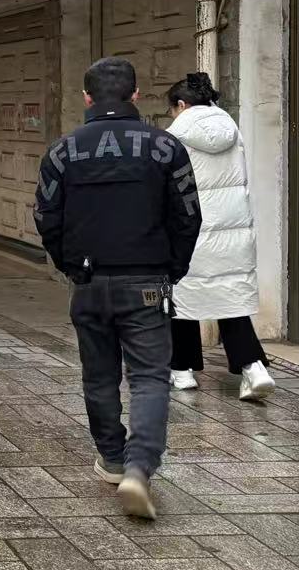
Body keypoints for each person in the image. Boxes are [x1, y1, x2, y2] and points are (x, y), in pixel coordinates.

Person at [34, 56, 202, 521]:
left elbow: (46, 216)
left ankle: (111, 457)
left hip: (89, 281)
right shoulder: (165, 147)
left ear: (87, 97)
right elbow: (188, 215)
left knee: (99, 374)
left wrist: (70, 267)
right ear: (136, 95)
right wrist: (173, 268)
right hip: (147, 280)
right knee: (149, 377)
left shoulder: (62, 151)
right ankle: (139, 467)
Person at [164, 72, 275, 402]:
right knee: (230, 300)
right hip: (233, 231)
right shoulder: (231, 128)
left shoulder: (174, 136)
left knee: (181, 299)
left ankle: (182, 370)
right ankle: (253, 368)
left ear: (181, 105)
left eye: (172, 109)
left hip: (191, 232)